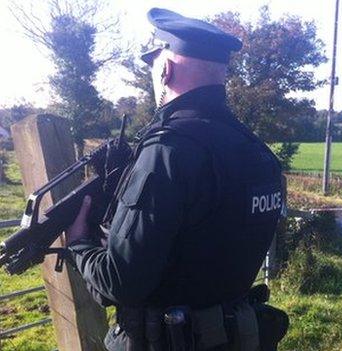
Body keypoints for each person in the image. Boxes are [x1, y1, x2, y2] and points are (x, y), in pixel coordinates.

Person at [66, 8, 286, 350]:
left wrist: (80, 240)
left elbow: (119, 281)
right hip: (238, 338)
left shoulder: (168, 151)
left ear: (165, 69)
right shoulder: (257, 153)